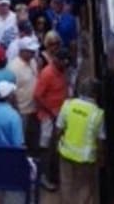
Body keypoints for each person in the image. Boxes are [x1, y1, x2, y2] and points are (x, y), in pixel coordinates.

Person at [55, 79, 105, 204]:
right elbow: (100, 140)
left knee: (66, 184)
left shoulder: (68, 105)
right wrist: (101, 157)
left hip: (66, 153)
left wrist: (58, 144)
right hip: (86, 159)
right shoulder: (98, 114)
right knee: (84, 185)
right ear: (95, 94)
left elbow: (58, 129)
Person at [35, 49, 71, 191]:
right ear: (56, 60)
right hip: (48, 118)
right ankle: (43, 177)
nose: (65, 65)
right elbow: (37, 96)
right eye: (63, 62)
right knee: (46, 148)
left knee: (56, 147)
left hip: (59, 115)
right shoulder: (47, 74)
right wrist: (51, 113)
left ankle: (54, 175)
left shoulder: (62, 71)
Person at [8, 36, 40, 152]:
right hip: (21, 111)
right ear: (22, 51)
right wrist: (15, 109)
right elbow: (11, 92)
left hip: (34, 108)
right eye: (30, 51)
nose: (33, 53)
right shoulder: (13, 68)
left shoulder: (33, 62)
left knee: (33, 138)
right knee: (21, 140)